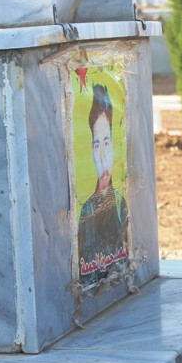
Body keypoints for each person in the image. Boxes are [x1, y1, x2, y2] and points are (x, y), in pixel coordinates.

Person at [77, 84, 129, 286]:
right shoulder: (87, 210)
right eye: (96, 144)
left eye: (106, 143)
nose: (101, 156)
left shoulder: (120, 203)